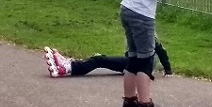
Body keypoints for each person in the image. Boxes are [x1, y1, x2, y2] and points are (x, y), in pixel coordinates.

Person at [44, 39, 172, 78]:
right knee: (99, 58)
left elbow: (162, 51)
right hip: (135, 65)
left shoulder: (146, 35)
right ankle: (69, 64)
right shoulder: (136, 31)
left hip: (139, 66)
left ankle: (68, 68)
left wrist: (168, 70)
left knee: (99, 60)